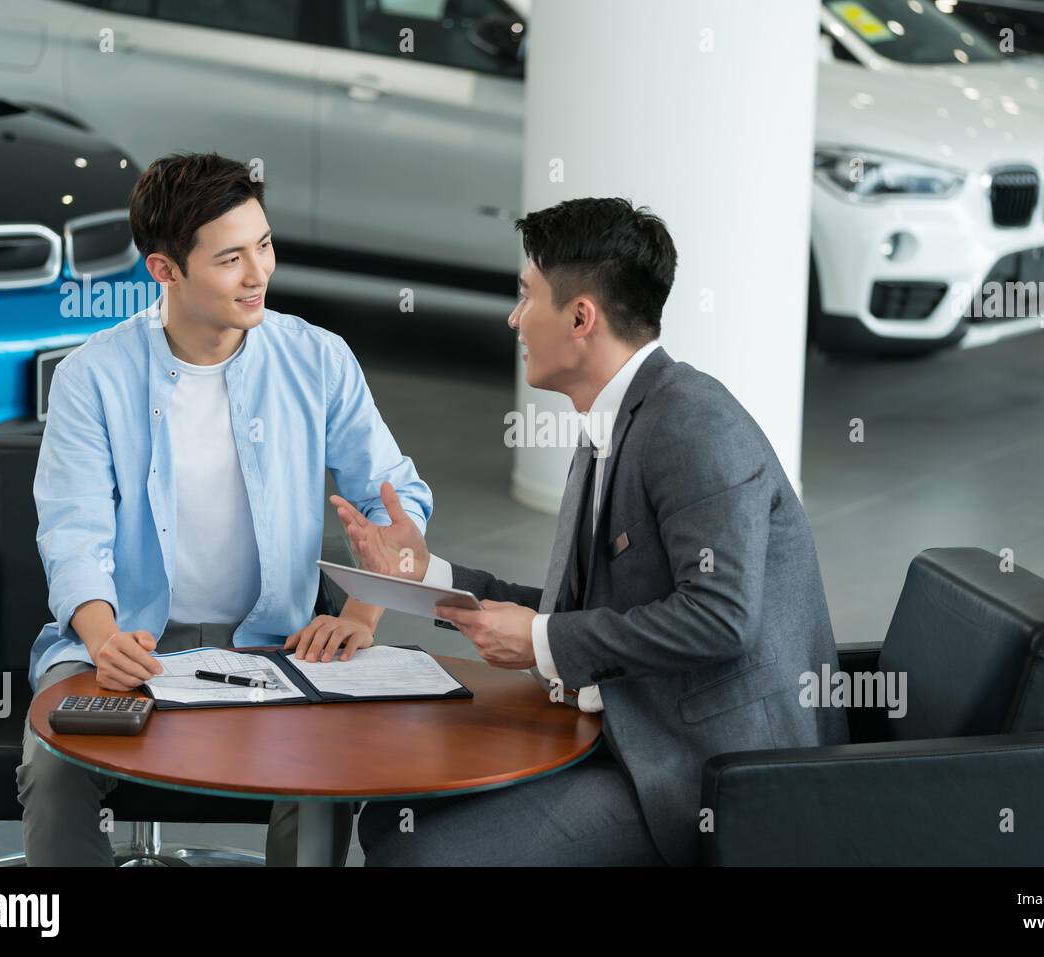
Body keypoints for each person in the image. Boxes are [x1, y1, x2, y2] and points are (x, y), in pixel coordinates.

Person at [338, 197, 848, 866]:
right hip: (636, 730)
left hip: (711, 773)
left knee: (421, 853)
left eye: (526, 297)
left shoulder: (694, 424)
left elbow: (723, 617)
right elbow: (577, 612)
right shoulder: (617, 420)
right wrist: (427, 577)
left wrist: (543, 640)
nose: (514, 318)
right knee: (389, 821)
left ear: (582, 316)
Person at [18, 152, 431, 866]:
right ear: (165, 271)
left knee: (321, 772)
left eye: (264, 245)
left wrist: (362, 614)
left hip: (276, 643)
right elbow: (73, 532)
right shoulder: (92, 376)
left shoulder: (318, 358)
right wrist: (101, 632)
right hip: (126, 645)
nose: (258, 273)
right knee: (55, 768)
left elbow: (394, 495)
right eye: (231, 258)